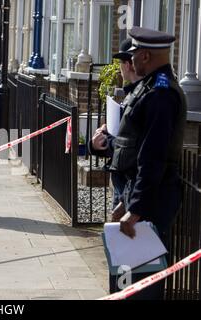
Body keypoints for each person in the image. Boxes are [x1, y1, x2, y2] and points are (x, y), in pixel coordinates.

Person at [92, 27, 187, 299]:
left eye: (134, 55)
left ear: (145, 56)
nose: (130, 61)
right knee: (127, 280)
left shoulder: (161, 95)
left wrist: (135, 209)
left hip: (152, 204)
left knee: (141, 284)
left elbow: (153, 156)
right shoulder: (149, 87)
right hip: (139, 195)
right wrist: (128, 201)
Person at [89, 38, 143, 210]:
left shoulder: (143, 96)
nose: (120, 69)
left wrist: (106, 141)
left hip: (130, 183)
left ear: (128, 64)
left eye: (121, 63)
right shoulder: (133, 93)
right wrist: (97, 143)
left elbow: (130, 145)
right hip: (123, 181)